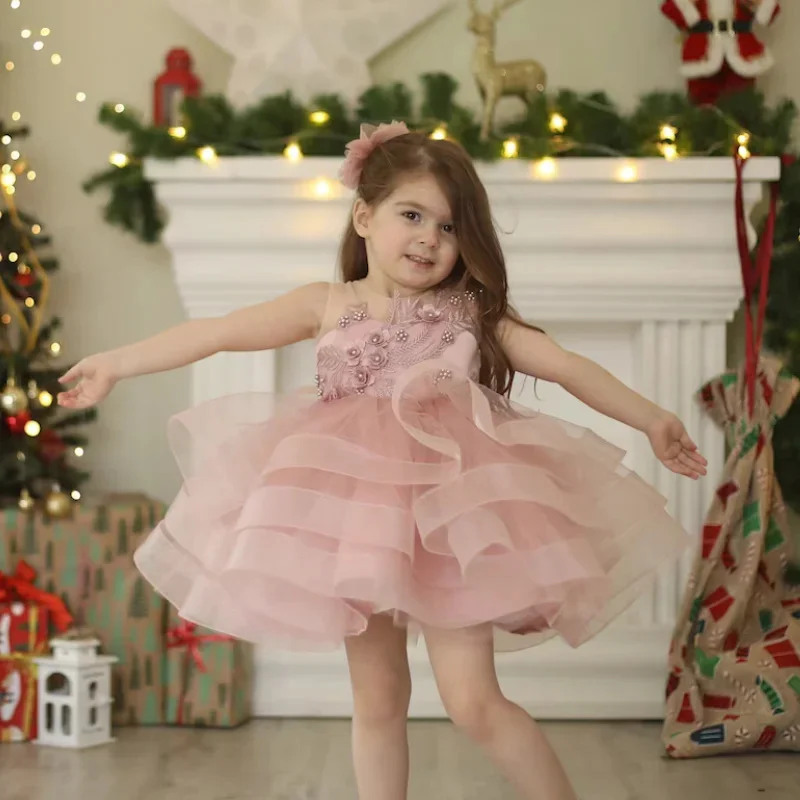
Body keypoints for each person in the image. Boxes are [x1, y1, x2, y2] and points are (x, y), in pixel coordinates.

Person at [57, 121, 707, 800]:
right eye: (412, 215)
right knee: (377, 700)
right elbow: (216, 333)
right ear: (364, 216)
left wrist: (653, 418)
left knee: (473, 702)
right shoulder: (326, 304)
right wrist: (116, 363)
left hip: (452, 522)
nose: (430, 237)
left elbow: (570, 368)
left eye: (450, 226)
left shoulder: (471, 317)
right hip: (356, 523)